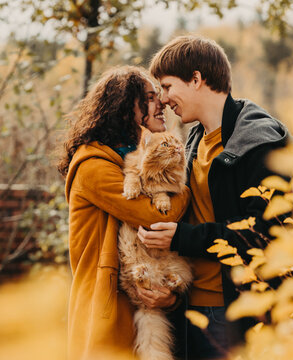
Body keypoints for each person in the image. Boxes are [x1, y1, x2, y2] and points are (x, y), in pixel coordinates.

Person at [138, 35, 290, 359]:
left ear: (196, 79)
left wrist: (183, 238)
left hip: (236, 311)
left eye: (166, 87)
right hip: (190, 307)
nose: (163, 99)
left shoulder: (259, 141)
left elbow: (260, 234)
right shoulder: (193, 140)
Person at [57, 65, 190, 359]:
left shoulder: (130, 158)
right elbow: (156, 216)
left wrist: (167, 297)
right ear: (124, 106)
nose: (163, 104)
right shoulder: (94, 165)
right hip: (106, 314)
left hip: (139, 308)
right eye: (151, 98)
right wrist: (185, 190)